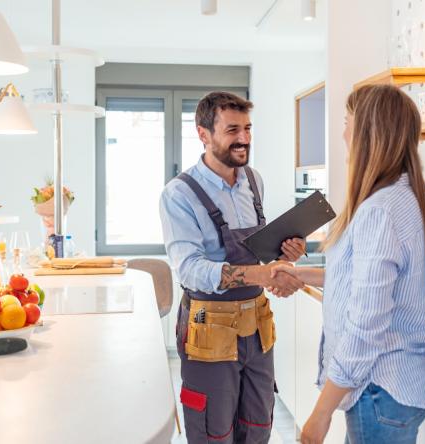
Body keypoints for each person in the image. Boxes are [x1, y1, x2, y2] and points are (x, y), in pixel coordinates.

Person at [271, 84, 425, 444]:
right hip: (396, 391)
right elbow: (361, 281)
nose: (344, 134)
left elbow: (366, 325)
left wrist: (321, 413)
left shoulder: (380, 210)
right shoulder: (405, 197)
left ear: (369, 134)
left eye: (348, 122)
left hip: (378, 390)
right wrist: (300, 275)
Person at [159, 91, 306, 443]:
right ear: (203, 134)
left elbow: (258, 252)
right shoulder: (178, 195)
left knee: (257, 427)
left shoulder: (253, 181)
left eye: (248, 129)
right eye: (232, 130)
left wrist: (285, 254)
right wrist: (260, 273)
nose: (243, 139)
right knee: (214, 432)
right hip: (210, 331)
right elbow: (190, 269)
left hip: (257, 328)